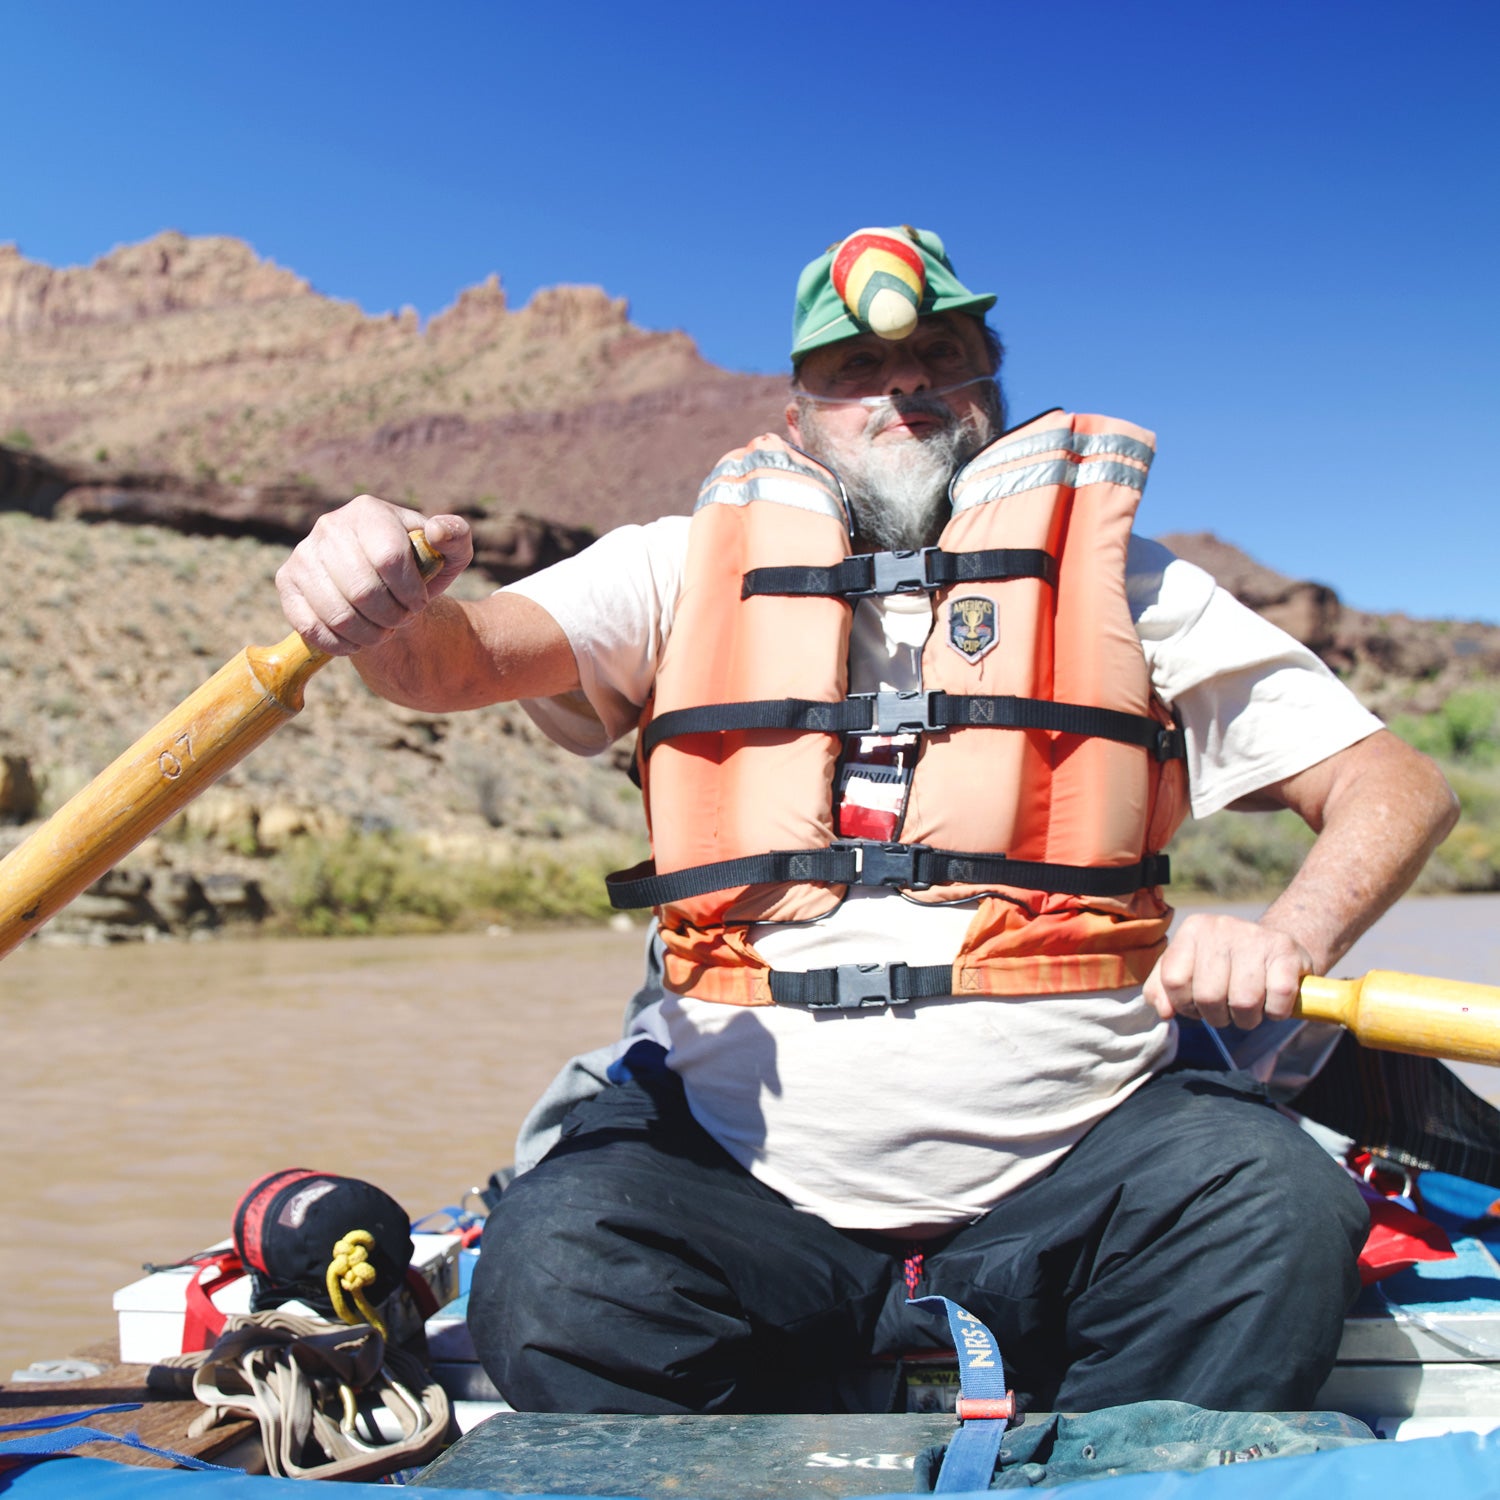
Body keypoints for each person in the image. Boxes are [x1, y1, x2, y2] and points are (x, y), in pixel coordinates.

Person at [276, 226, 1458, 1416]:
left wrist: (1289, 935)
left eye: (936, 355)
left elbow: (1396, 782)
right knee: (556, 1269)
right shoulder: (671, 569)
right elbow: (445, 664)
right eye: (852, 369)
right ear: (798, 418)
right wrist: (376, 594)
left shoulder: (1130, 583)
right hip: (741, 1188)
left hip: (1087, 1167)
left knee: (1276, 1214)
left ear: (986, 392)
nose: (899, 388)